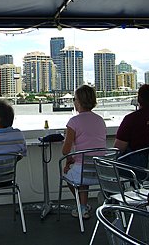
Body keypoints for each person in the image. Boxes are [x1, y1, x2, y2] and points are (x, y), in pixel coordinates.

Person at [62, 85, 107, 219]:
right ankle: (83, 207)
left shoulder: (73, 121)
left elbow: (65, 151)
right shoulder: (100, 120)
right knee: (81, 173)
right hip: (100, 171)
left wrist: (69, 160)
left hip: (82, 170)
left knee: (69, 176)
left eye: (75, 99)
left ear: (79, 102)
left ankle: (81, 205)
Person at [114, 84, 149, 166]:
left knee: (107, 163)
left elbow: (118, 148)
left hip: (140, 169)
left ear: (139, 98)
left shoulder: (132, 119)